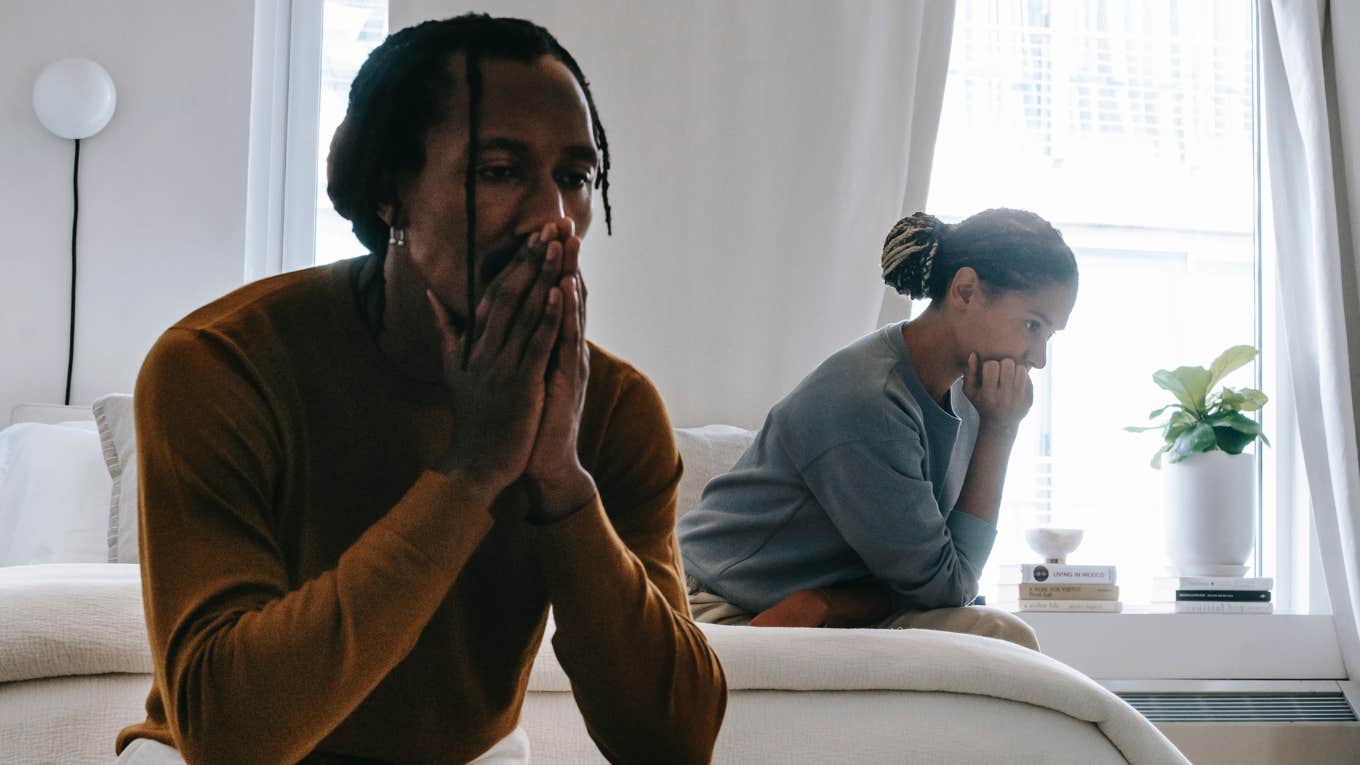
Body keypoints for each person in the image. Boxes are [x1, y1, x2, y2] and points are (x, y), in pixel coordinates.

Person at [115, 14, 725, 765]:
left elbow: (674, 743)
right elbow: (230, 733)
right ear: (388, 193)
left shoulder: (617, 409)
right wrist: (472, 471)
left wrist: (561, 479)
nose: (553, 219)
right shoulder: (219, 366)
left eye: (575, 177)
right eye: (498, 171)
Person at [676, 209, 1079, 649]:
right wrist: (1001, 432)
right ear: (965, 291)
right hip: (721, 604)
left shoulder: (971, 390)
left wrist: (828, 603)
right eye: (1032, 325)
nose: (1038, 357)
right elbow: (948, 587)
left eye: (1049, 335)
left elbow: (942, 582)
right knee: (998, 635)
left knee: (1001, 635)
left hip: (811, 605)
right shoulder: (871, 400)